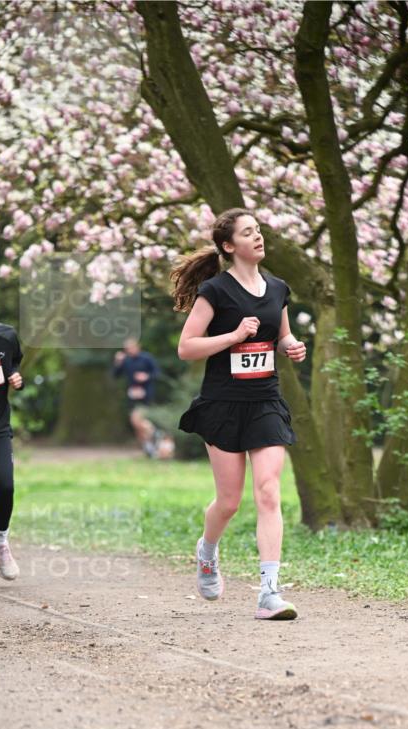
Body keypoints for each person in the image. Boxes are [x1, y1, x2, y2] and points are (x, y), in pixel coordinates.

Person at [171, 207, 306, 621]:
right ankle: (207, 550)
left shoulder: (278, 288)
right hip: (223, 404)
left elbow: (282, 335)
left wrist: (291, 346)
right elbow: (187, 347)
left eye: (259, 230)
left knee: (268, 491)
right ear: (229, 246)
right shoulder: (215, 291)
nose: (258, 236)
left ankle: (269, 592)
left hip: (265, 401)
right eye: (248, 233)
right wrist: (233, 336)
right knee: (229, 502)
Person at [0, 286, 24, 580]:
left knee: (5, 486)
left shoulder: (7, 336)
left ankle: (0, 542)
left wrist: (16, 378)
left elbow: (13, 366)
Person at [112, 337, 163, 456]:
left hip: (146, 394)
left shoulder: (147, 358)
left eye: (131, 347)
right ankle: (148, 448)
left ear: (137, 347)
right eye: (127, 349)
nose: (129, 350)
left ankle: (155, 433)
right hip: (132, 395)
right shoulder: (126, 360)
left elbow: (157, 373)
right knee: (136, 424)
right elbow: (115, 375)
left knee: (137, 419)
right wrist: (117, 362)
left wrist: (146, 376)